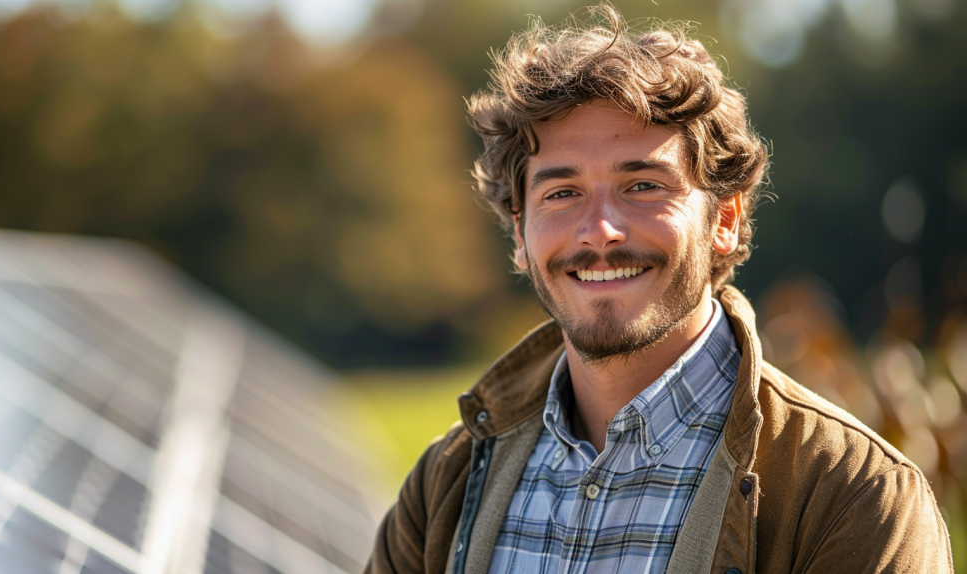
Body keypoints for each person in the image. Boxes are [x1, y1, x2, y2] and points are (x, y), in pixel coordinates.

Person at [364, 5, 953, 574]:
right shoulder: (445, 484)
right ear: (520, 233)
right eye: (561, 193)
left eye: (643, 185)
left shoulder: (853, 497)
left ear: (723, 219)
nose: (599, 231)